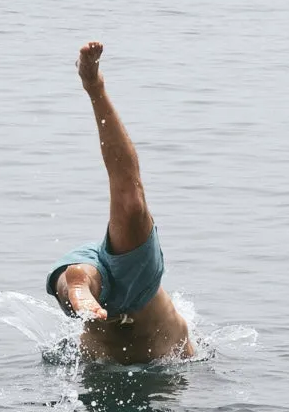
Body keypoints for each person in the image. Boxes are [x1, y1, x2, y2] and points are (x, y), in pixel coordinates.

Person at [47, 42, 193, 363]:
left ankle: (80, 282)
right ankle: (80, 283)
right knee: (130, 203)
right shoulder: (179, 337)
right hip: (135, 287)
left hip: (101, 300)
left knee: (130, 200)